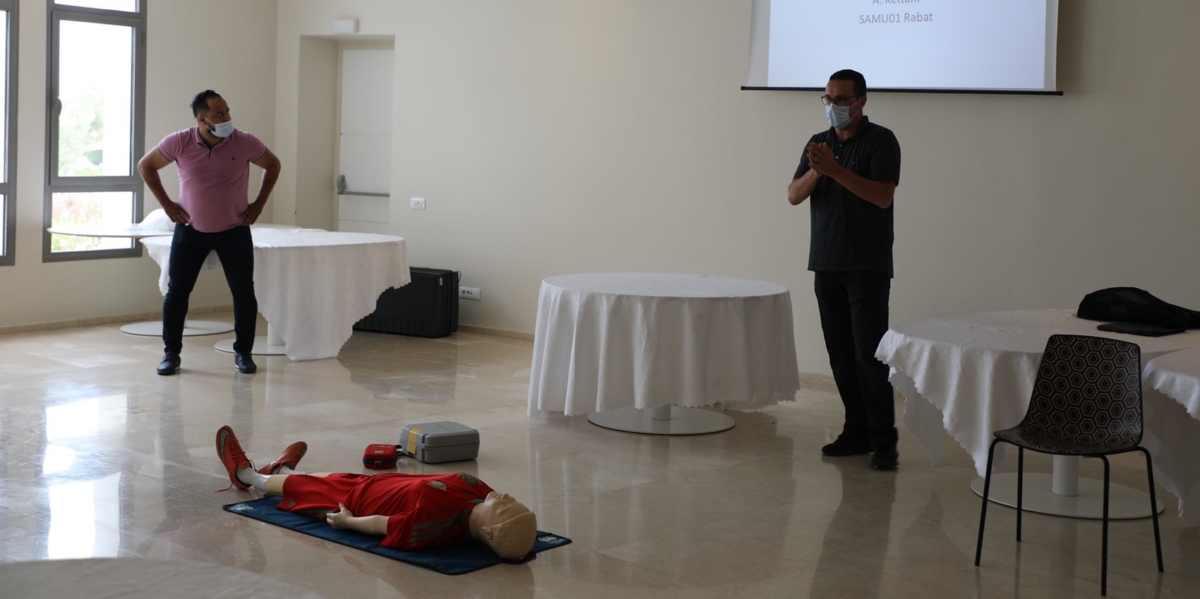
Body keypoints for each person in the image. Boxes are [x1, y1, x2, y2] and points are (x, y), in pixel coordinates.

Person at [787, 69, 902, 470]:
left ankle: (884, 441)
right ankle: (856, 431)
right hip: (826, 263)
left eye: (841, 99)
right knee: (840, 356)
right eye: (828, 99)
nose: (833, 106)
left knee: (869, 357)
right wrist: (819, 169)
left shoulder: (881, 140)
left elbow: (882, 196)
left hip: (866, 266)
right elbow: (793, 195)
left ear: (861, 101)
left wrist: (836, 170)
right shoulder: (818, 144)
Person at [215, 426, 538, 560]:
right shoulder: (484, 493)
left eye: (507, 509)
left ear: (488, 531)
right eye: (518, 503)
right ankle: (282, 469)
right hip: (378, 484)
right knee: (329, 477)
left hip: (358, 502)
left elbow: (383, 525)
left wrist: (348, 522)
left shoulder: (433, 526)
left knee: (308, 488)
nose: (509, 499)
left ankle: (247, 475)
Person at [138, 90, 282, 376]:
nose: (227, 117)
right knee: (177, 293)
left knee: (243, 293)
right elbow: (147, 166)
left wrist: (259, 203)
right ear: (202, 119)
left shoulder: (244, 141)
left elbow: (273, 164)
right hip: (190, 231)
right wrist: (167, 205)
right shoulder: (179, 141)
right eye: (219, 113)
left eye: (227, 111)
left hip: (234, 230)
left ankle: (243, 354)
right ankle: (171, 354)